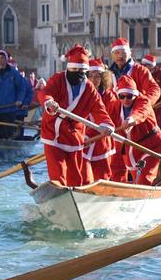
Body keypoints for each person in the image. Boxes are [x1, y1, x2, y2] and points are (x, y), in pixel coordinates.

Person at [37, 45, 114, 186]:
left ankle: (76, 199)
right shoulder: (58, 79)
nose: (78, 73)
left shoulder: (88, 88)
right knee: (58, 176)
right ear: (69, 68)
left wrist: (106, 124)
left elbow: (99, 109)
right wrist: (49, 102)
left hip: (75, 136)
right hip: (54, 134)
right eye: (75, 70)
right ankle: (59, 195)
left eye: (82, 71)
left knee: (76, 178)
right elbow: (45, 92)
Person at [106, 75, 161, 185]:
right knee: (130, 178)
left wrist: (131, 120)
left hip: (152, 147)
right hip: (131, 149)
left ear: (135, 95)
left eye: (129, 96)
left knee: (144, 181)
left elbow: (141, 112)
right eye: (122, 96)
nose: (125, 100)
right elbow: (105, 119)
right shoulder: (114, 106)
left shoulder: (143, 101)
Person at [0, 49, 32, 139]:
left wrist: (20, 100)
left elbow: (22, 87)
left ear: (6, 59)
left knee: (9, 134)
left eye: (3, 58)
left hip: (10, 110)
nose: (1, 60)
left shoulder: (14, 73)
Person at [82, 59, 116, 181]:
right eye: (90, 76)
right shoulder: (81, 94)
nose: (93, 80)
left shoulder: (109, 97)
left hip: (102, 142)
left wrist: (87, 136)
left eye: (97, 76)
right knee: (83, 177)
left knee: (103, 177)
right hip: (83, 142)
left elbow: (106, 120)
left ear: (103, 79)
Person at [108, 38, 160, 113]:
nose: (120, 56)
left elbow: (154, 89)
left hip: (137, 114)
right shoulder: (107, 74)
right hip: (114, 116)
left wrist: (145, 104)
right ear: (112, 55)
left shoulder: (140, 70)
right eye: (116, 52)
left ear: (130, 53)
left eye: (123, 53)